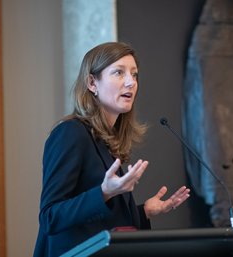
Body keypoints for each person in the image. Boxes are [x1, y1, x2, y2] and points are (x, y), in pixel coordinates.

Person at [33, 42, 190, 257]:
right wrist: (105, 192)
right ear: (92, 83)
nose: (130, 82)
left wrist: (144, 212)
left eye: (134, 75)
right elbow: (50, 217)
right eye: (119, 72)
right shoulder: (70, 133)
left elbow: (102, 223)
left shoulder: (106, 139)